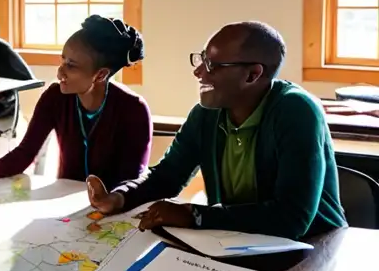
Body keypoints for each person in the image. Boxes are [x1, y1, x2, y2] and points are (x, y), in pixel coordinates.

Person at [86, 22, 347, 240]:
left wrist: (196, 215)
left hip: (315, 247)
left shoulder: (296, 110)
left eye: (212, 65)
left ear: (252, 74)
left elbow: (292, 218)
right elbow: (167, 176)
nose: (198, 71)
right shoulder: (207, 113)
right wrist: (119, 197)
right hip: (239, 241)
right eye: (201, 59)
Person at [0, 15, 151, 190]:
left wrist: (109, 201)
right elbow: (25, 152)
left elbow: (131, 179)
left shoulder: (134, 109)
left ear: (100, 74)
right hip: (63, 205)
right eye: (62, 61)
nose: (60, 72)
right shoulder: (55, 97)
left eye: (71, 66)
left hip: (113, 210)